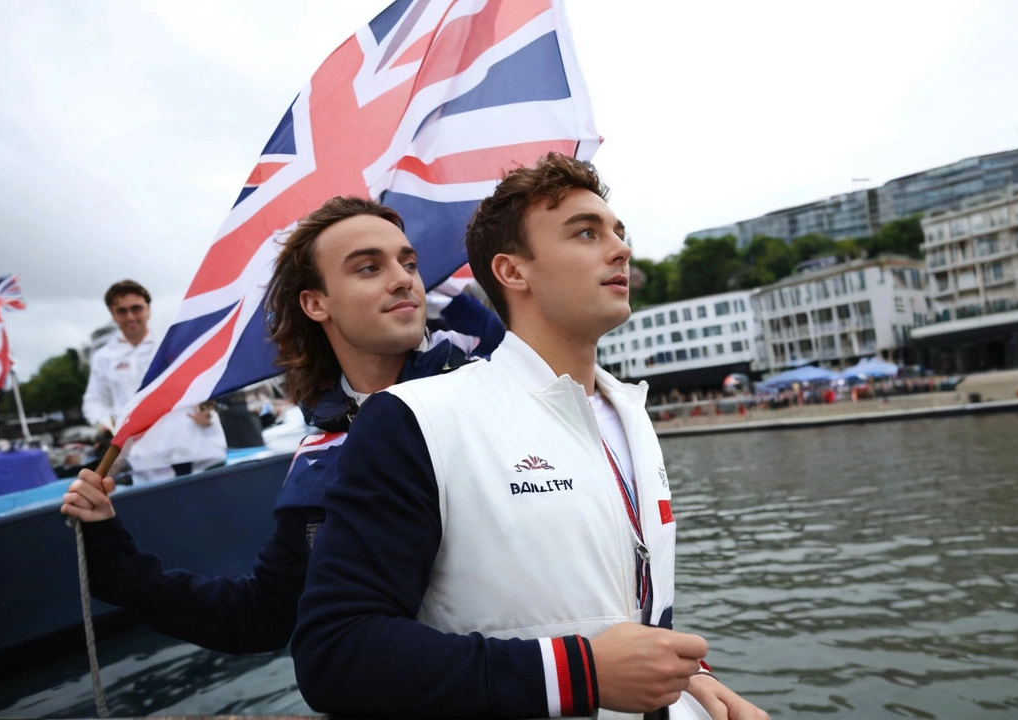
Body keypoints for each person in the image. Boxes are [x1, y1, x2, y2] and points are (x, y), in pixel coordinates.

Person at [291, 154, 768, 719]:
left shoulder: (629, 411)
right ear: (513, 272)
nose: (620, 249)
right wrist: (581, 674)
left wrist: (689, 675)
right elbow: (336, 652)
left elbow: (619, 601)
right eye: (586, 233)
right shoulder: (413, 419)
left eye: (619, 232)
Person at [59, 196, 505, 654]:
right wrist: (117, 562)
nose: (404, 280)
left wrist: (475, 317)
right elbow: (262, 614)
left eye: (408, 263)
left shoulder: (492, 389)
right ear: (315, 303)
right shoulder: (319, 460)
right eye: (369, 268)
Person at [82, 280, 226, 482]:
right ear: (113, 314)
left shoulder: (173, 345)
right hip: (145, 458)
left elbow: (206, 383)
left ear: (148, 309)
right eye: (122, 311)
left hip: (196, 448)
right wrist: (110, 423)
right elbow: (93, 402)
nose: (130, 316)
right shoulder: (103, 358)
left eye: (136, 308)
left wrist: (208, 409)